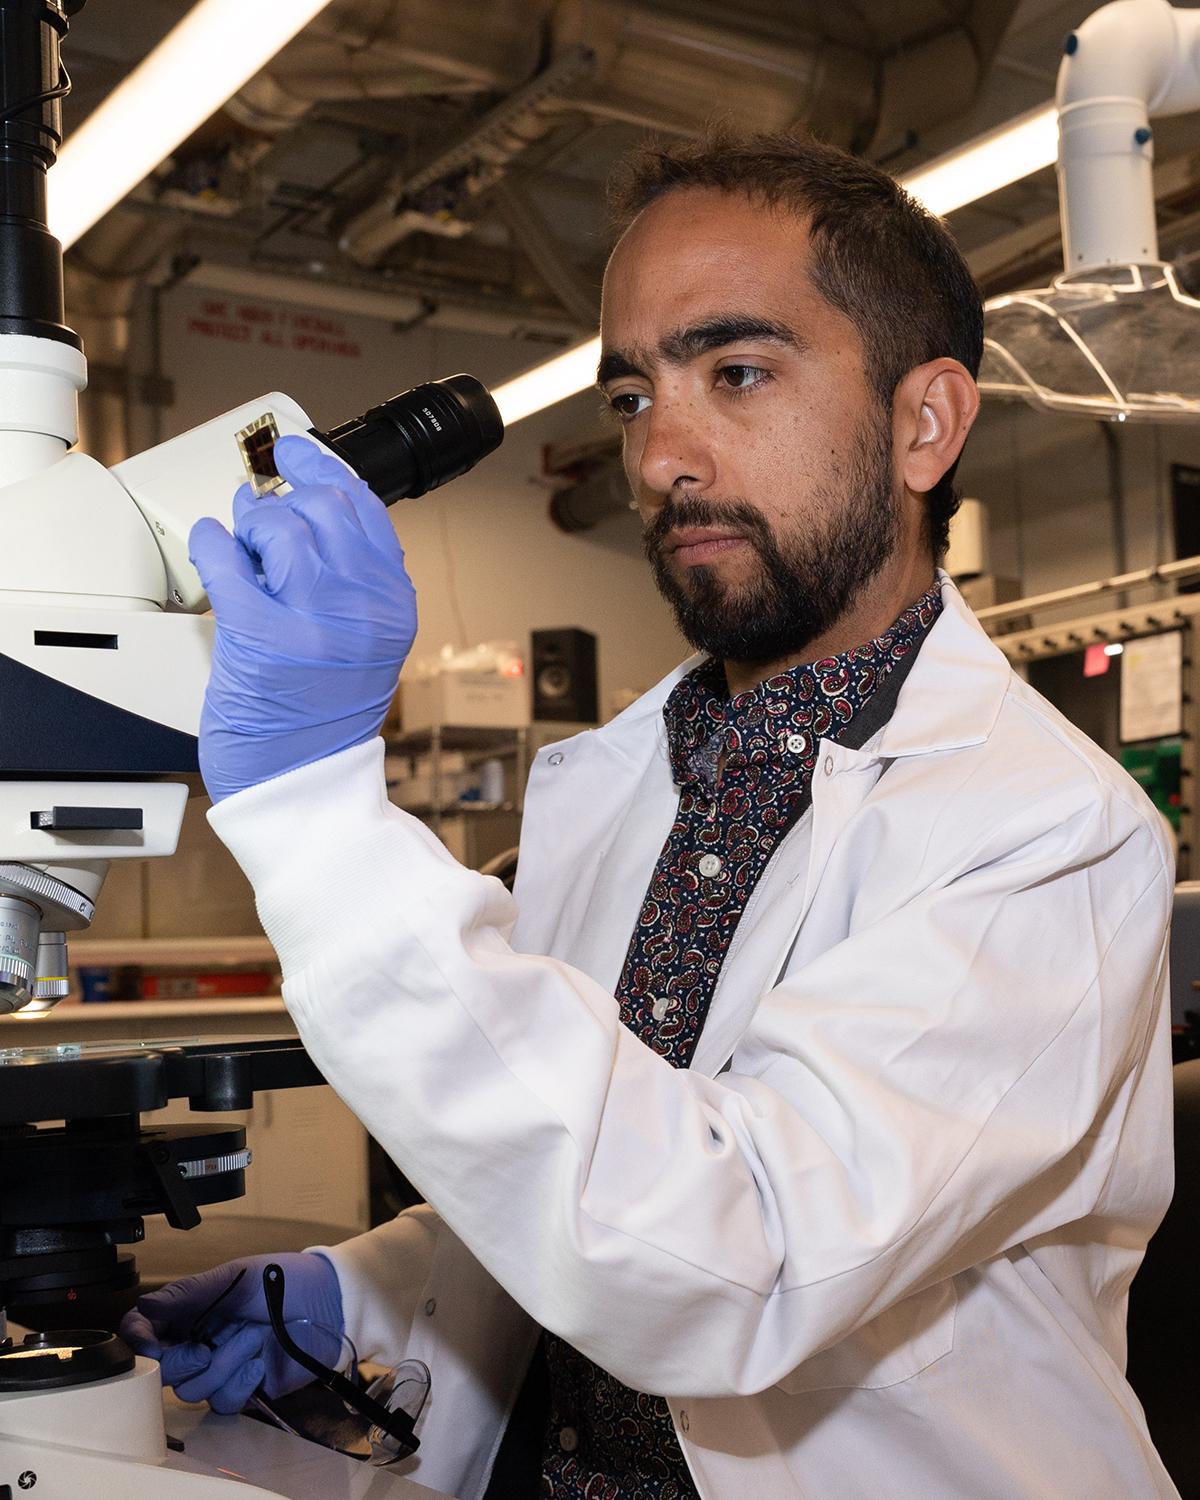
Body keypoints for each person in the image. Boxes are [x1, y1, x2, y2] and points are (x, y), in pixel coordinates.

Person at [122, 131, 1179, 1499]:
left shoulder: (1046, 831)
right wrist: (362, 1291)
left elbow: (739, 1255)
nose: (664, 454)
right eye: (632, 396)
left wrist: (320, 810)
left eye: (738, 373)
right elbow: (589, 1182)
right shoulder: (619, 783)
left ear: (925, 425)